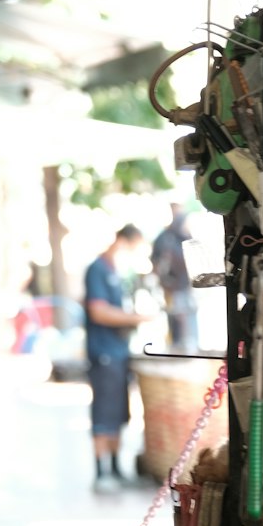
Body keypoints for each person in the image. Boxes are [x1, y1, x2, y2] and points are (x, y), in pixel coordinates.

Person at [84, 224, 152, 491]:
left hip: (119, 351)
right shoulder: (98, 270)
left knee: (119, 412)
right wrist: (136, 318)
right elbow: (98, 312)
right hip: (104, 353)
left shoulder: (116, 271)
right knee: (104, 411)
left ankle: (114, 467)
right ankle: (101, 472)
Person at [151, 203, 198, 352]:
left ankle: (189, 347)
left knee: (188, 320)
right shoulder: (165, 238)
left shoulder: (184, 236)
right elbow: (156, 262)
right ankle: (177, 346)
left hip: (187, 286)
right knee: (175, 318)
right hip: (171, 287)